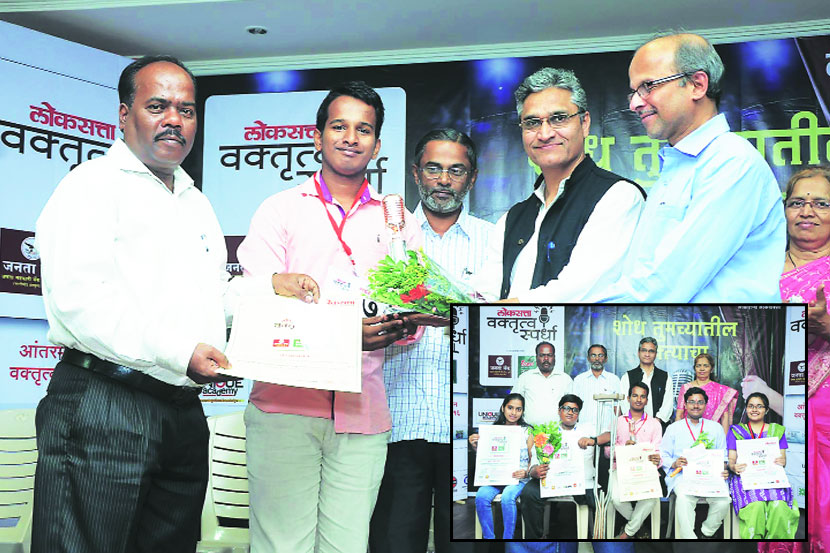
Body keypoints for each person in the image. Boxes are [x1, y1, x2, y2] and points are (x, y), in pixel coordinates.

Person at [31, 56, 318, 553]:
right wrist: (180, 352)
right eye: (157, 106)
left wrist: (271, 287)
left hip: (182, 412)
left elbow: (211, 294)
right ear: (124, 115)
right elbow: (81, 301)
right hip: (105, 403)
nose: (174, 120)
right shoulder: (91, 185)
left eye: (186, 110)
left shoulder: (193, 200)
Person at [236, 81, 425, 553]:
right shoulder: (280, 210)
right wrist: (345, 334)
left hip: (363, 411)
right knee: (282, 546)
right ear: (317, 136)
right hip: (284, 407)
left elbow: (412, 319)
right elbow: (257, 306)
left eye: (364, 129)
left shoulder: (398, 220)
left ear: (377, 145)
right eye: (339, 126)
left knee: (348, 546)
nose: (351, 138)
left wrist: (402, 323)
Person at [589, 31, 785, 302]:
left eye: (648, 86)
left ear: (697, 85)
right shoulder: (678, 166)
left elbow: (666, 285)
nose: (635, 103)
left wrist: (572, 317)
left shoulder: (731, 162)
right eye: (633, 92)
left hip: (723, 331)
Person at [370, 129, 493, 553]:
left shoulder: (495, 241)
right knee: (395, 542)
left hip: (468, 431)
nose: (443, 180)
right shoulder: (386, 238)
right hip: (398, 420)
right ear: (415, 173)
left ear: (472, 178)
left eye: (456, 171)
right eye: (433, 168)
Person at [475, 67, 645, 301]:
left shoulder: (619, 197)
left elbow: (578, 290)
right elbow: (485, 293)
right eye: (532, 123)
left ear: (585, 123)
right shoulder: (513, 218)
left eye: (558, 118)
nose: (545, 134)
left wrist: (492, 312)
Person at [777, 165, 830, 552]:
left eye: (821, 203)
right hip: (780, 405)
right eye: (797, 202)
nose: (807, 210)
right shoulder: (759, 269)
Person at [519, 394, 609, 538]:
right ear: (559, 411)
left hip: (581, 481)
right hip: (551, 480)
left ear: (578, 414)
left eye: (575, 410)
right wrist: (534, 470)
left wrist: (593, 440)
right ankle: (535, 539)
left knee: (599, 499)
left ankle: (597, 538)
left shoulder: (587, 428)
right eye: (566, 408)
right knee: (529, 492)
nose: (570, 412)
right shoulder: (547, 431)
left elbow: (611, 434)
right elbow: (534, 460)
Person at [726, 392, 799, 538]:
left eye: (759, 406)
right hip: (746, 478)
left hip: (771, 477)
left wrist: (781, 461)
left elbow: (783, 460)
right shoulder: (736, 431)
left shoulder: (777, 431)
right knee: (756, 505)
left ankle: (776, 545)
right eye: (751, 406)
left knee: (779, 505)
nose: (754, 409)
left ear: (766, 410)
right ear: (746, 409)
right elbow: (731, 460)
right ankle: (754, 544)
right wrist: (733, 467)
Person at [662, 387, 729, 539]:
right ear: (685, 405)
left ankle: (706, 532)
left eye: (700, 402)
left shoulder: (716, 428)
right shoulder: (674, 428)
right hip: (683, 476)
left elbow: (723, 456)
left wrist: (723, 468)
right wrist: (674, 463)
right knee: (684, 498)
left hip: (710, 477)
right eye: (692, 402)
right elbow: (662, 455)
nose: (696, 406)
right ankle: (689, 539)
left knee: (724, 501)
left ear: (705, 405)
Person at [468, 393, 533, 539]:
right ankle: (489, 538)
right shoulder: (493, 430)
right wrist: (475, 446)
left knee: (507, 497)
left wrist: (526, 472)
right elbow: (486, 456)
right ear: (503, 408)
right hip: (496, 478)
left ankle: (507, 539)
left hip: (518, 479)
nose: (513, 412)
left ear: (522, 411)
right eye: (510, 408)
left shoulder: (527, 431)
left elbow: (532, 458)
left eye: (518, 409)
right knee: (481, 496)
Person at [607, 382, 663, 539]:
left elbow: (659, 451)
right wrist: (623, 449)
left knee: (651, 498)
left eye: (642, 396)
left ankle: (627, 532)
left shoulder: (654, 424)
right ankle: (638, 526)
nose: (638, 399)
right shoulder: (617, 422)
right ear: (628, 398)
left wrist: (657, 458)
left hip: (646, 471)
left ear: (647, 400)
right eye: (635, 395)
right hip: (620, 469)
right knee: (616, 498)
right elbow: (607, 451)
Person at [571, 343, 618, 491]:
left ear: (606, 358)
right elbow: (573, 408)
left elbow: (618, 409)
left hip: (606, 437)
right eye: (593, 355)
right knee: (585, 479)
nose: (597, 359)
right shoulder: (579, 380)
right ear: (588, 358)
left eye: (600, 355)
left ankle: (603, 506)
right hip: (584, 438)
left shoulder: (614, 380)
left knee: (604, 479)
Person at [511, 341, 573, 426]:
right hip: (529, 430)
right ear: (536, 357)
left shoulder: (565, 379)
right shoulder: (525, 377)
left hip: (558, 431)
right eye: (542, 355)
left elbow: (572, 407)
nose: (546, 359)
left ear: (554, 357)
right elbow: (513, 402)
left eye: (549, 355)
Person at [674, 353, 737, 435]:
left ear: (711, 369)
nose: (702, 369)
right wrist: (678, 434)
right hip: (689, 432)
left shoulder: (720, 390)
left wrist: (724, 440)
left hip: (713, 433)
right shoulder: (686, 388)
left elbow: (724, 417)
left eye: (706, 366)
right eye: (698, 366)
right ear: (694, 368)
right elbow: (679, 414)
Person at [619, 337, 672, 429]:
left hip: (658, 427)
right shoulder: (628, 376)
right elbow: (624, 403)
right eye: (644, 350)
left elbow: (668, 404)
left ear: (656, 354)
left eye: (651, 351)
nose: (647, 354)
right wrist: (635, 421)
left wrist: (656, 422)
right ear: (638, 353)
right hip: (633, 427)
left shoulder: (665, 377)